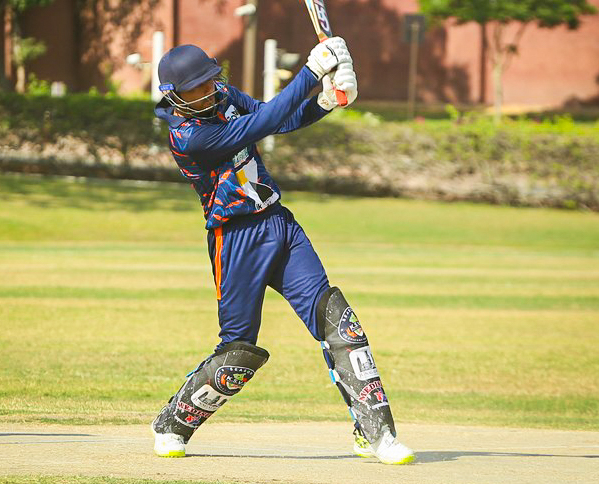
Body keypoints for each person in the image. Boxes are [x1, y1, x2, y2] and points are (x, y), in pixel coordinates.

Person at [151, 38, 415, 465]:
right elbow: (264, 122)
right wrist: (311, 73)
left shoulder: (224, 97)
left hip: (279, 224)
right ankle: (174, 423)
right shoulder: (189, 137)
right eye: (196, 88)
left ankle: (376, 434)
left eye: (211, 81)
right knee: (238, 353)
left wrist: (327, 101)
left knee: (339, 323)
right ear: (175, 96)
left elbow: (277, 118)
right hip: (235, 239)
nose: (208, 91)